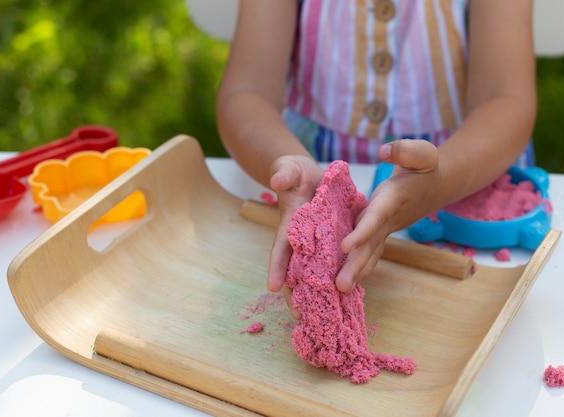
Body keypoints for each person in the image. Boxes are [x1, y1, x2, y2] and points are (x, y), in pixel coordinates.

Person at [216, 0, 536, 315]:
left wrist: (439, 181)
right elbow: (247, 92)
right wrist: (287, 161)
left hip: (462, 171)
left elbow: (505, 98)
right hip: (306, 155)